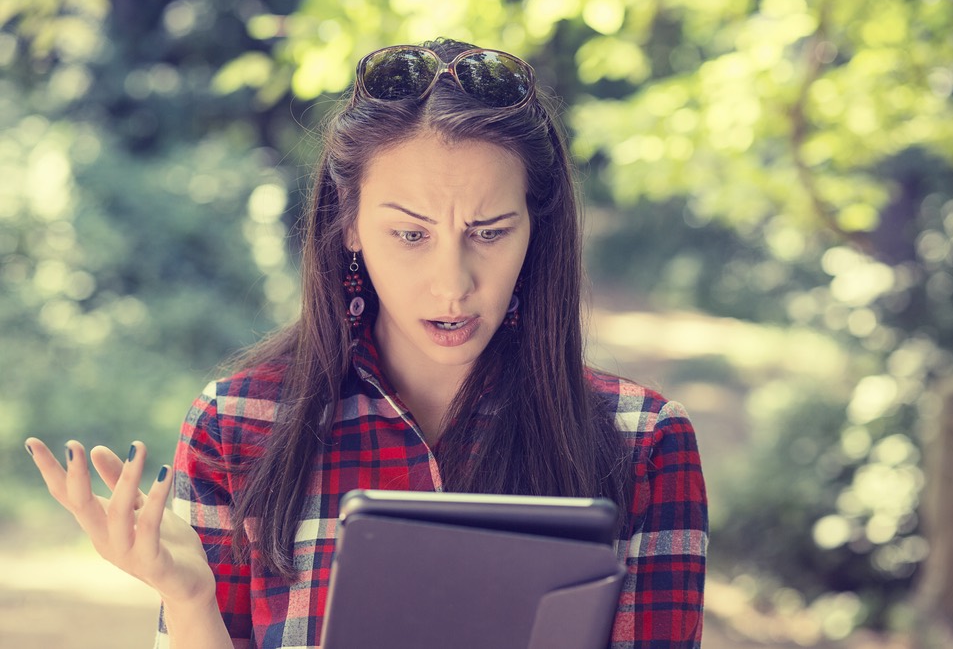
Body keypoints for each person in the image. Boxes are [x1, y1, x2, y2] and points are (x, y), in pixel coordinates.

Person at [25, 38, 708, 648]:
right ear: (349, 224)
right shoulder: (238, 424)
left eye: (491, 231)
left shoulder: (644, 442)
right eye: (410, 235)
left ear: (537, 228)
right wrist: (189, 596)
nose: (453, 284)